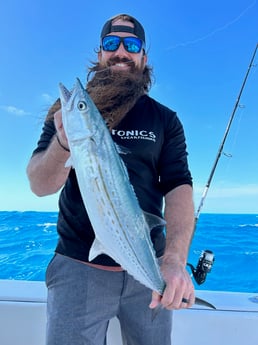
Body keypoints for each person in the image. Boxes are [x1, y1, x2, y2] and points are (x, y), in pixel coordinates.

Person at [27, 13, 195, 345]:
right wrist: (63, 142)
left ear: (143, 57)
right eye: (111, 43)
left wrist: (174, 260)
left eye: (131, 44)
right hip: (77, 268)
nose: (121, 51)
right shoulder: (65, 115)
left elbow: (179, 186)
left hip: (150, 268)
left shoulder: (165, 119)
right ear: (100, 52)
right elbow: (39, 185)